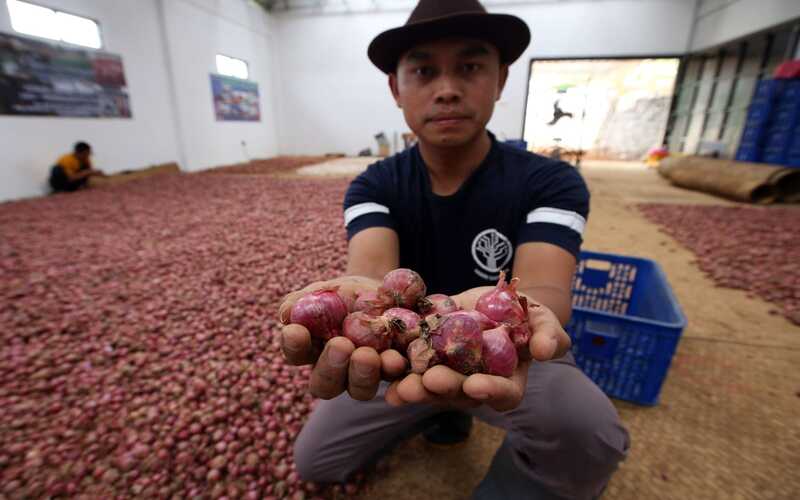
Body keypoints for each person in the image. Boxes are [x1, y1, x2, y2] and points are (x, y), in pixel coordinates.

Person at [278, 1, 630, 498]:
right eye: (424, 70)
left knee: (591, 433)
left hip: (507, 354)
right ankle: (438, 410)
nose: (447, 89)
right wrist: (366, 306)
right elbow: (374, 283)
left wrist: (522, 315)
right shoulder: (374, 185)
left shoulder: (551, 181)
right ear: (396, 88)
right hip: (399, 352)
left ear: (501, 79)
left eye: (469, 67)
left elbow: (547, 288)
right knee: (315, 461)